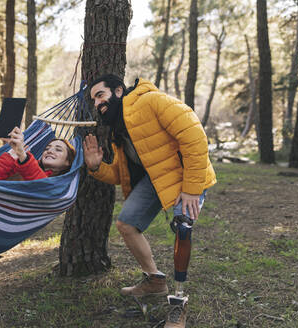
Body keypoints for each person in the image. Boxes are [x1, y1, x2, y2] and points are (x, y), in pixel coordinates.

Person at [83, 74, 216, 328]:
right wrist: (97, 167)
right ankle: (154, 280)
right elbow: (119, 174)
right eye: (94, 100)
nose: (98, 103)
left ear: (119, 90)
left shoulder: (151, 101)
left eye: (101, 95)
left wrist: (191, 189)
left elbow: (194, 136)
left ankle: (178, 303)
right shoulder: (118, 128)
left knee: (183, 226)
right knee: (126, 224)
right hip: (156, 180)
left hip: (188, 176)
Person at [0, 126, 75, 180]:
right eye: (47, 148)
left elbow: (44, 186)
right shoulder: (21, 166)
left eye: (58, 149)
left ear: (68, 161)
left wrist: (23, 156)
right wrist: (10, 157)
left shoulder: (61, 184)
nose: (50, 151)